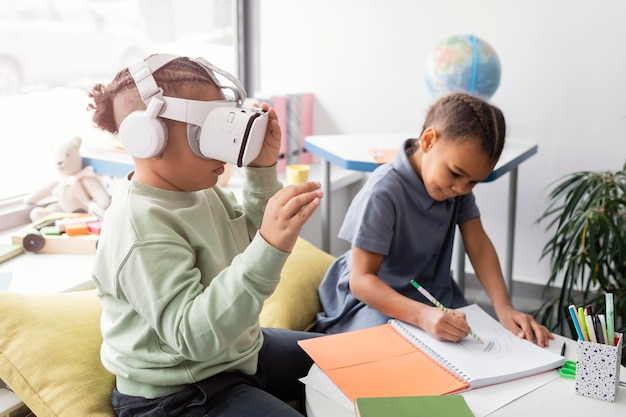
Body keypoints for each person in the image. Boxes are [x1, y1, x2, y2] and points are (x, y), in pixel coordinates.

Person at [88, 54, 323, 417]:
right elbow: (192, 337)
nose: (226, 148)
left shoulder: (200, 190)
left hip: (235, 353)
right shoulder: (139, 226)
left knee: (347, 359)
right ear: (149, 137)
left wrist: (262, 172)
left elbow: (244, 252)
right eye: (206, 134)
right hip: (176, 392)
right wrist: (270, 245)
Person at [315, 92, 554, 348]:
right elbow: (362, 281)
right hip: (373, 299)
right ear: (428, 141)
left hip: (432, 295)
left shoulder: (456, 187)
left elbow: (479, 244)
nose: (462, 189)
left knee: (473, 350)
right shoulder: (383, 192)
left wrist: (504, 308)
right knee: (398, 358)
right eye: (455, 173)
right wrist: (422, 315)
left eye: (473, 181)